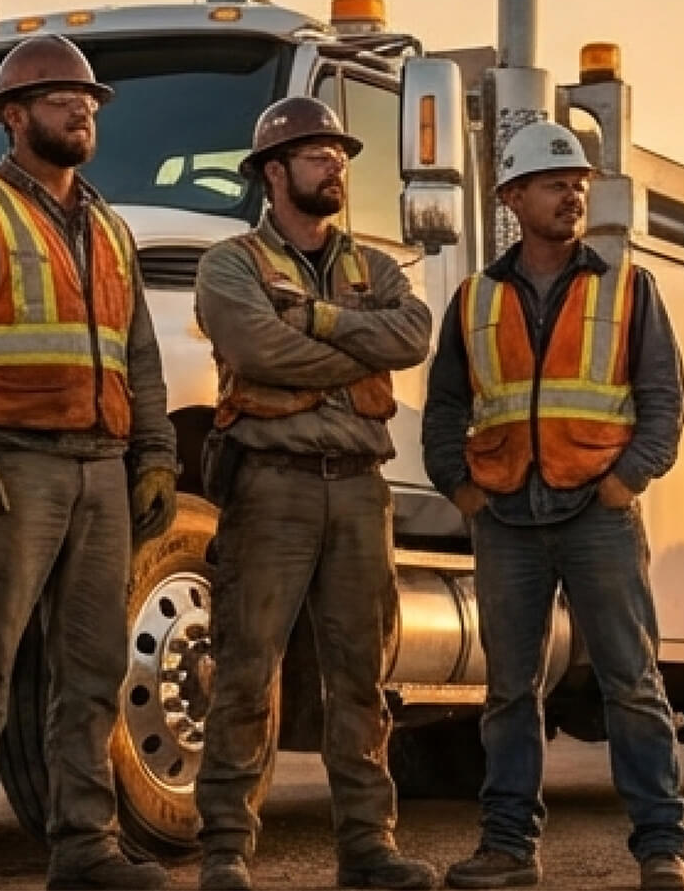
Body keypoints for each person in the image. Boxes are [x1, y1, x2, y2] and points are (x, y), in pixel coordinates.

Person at [0, 34, 179, 891]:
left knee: (92, 670)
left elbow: (141, 354)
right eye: (62, 98)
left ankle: (84, 846)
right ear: (13, 117)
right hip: (12, 469)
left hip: (100, 471)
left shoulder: (109, 227)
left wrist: (157, 451)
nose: (81, 109)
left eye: (88, 99)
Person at [421, 120, 684, 891]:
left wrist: (627, 480)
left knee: (631, 682)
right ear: (513, 197)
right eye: (554, 182)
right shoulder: (475, 298)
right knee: (510, 690)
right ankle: (509, 848)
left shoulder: (628, 287)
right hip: (507, 516)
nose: (573, 192)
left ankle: (661, 849)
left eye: (578, 182)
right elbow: (444, 406)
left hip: (598, 515)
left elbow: (664, 399)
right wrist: (462, 487)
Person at [191, 96, 437, 891]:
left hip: (362, 492)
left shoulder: (378, 267)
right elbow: (255, 349)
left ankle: (368, 845)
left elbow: (413, 335)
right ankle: (226, 846)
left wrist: (319, 319)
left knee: (362, 675)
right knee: (244, 668)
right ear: (274, 171)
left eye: (339, 153)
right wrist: (357, 356)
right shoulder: (229, 264)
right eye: (317, 152)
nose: (336, 163)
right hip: (272, 486)